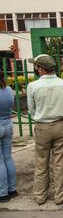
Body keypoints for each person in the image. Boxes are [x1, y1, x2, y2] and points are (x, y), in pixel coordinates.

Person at [27, 54, 63, 205]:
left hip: (42, 127)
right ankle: (60, 195)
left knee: (41, 162)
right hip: (60, 125)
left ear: (40, 69)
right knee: (60, 162)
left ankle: (40, 196)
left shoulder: (33, 86)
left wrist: (40, 115)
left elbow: (31, 109)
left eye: (36, 66)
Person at [0, 68, 17, 203]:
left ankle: (3, 193)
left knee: (0, 161)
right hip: (8, 125)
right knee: (8, 158)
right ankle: (12, 189)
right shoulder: (9, 90)